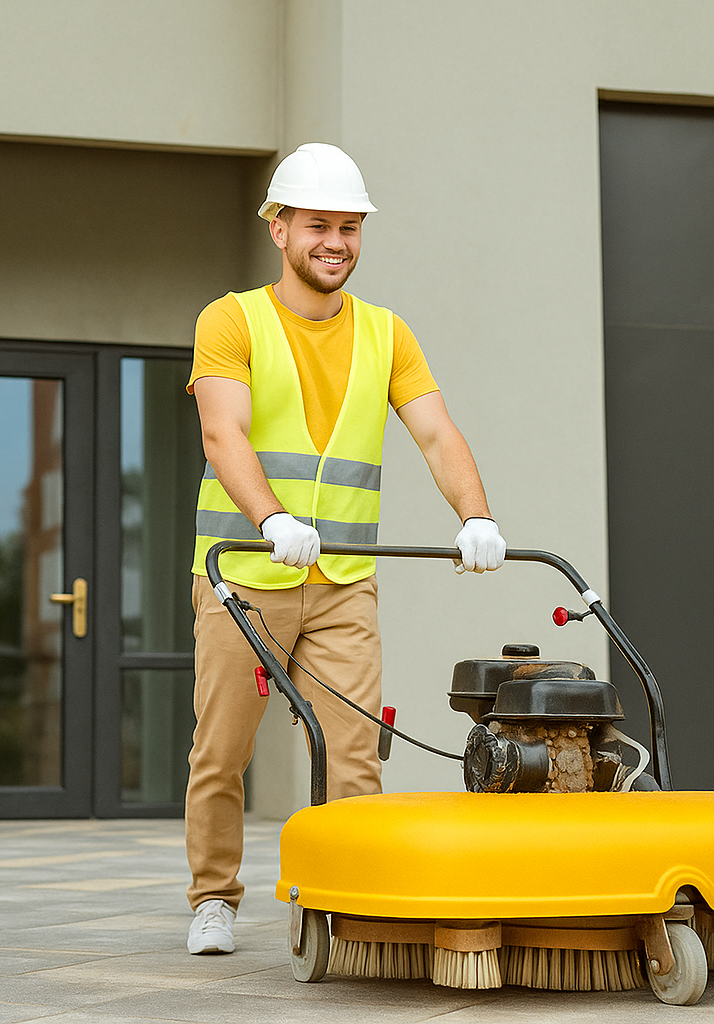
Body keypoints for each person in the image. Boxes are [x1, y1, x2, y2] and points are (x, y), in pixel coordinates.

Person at [183, 142, 507, 955]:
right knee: (222, 752)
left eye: (349, 228)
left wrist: (476, 516)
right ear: (279, 228)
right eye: (318, 225)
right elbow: (223, 434)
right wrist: (270, 519)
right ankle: (214, 897)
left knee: (353, 755)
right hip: (244, 578)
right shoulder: (232, 320)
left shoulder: (386, 334)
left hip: (344, 583)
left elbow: (436, 434)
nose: (335, 242)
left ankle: (350, 902)